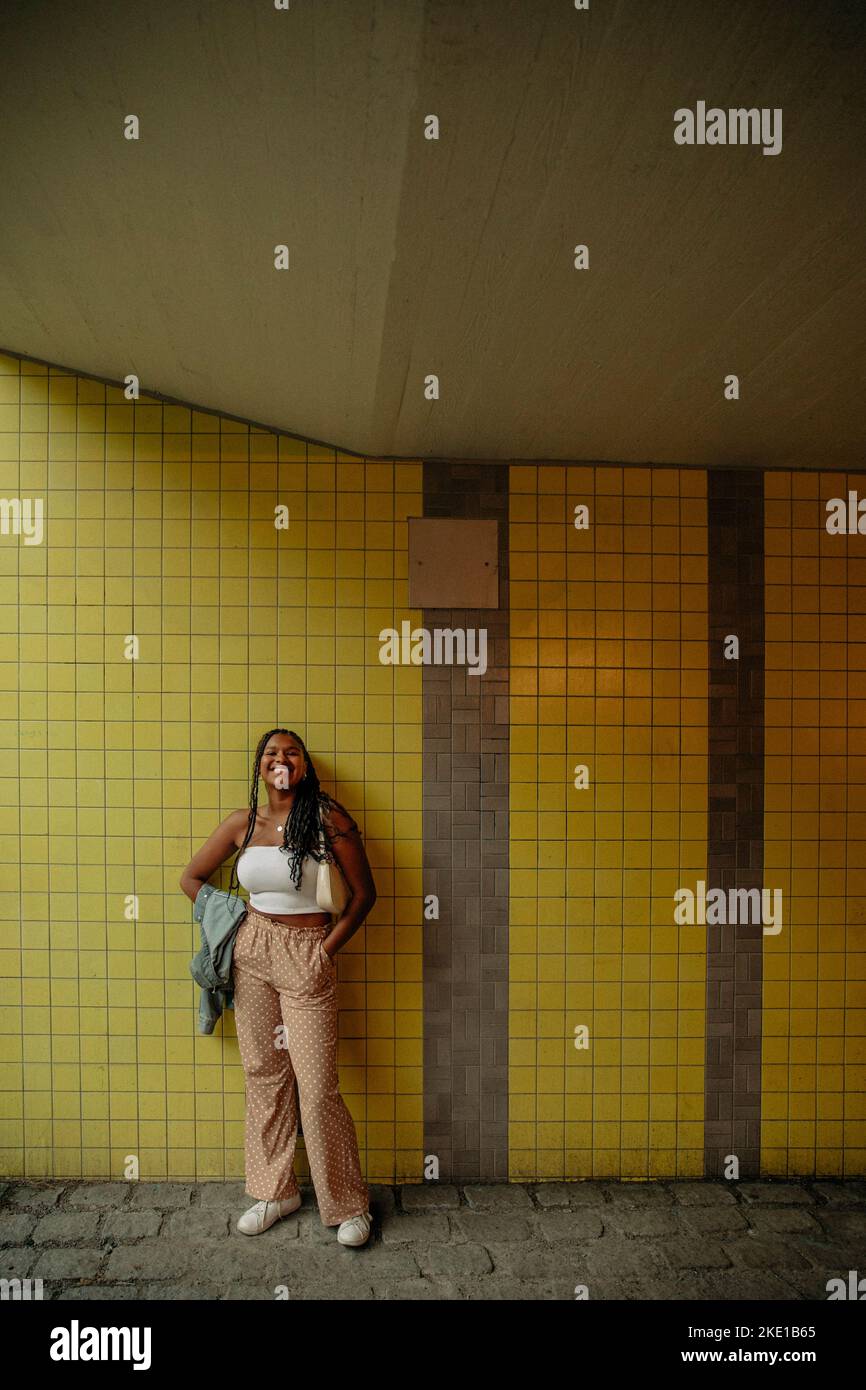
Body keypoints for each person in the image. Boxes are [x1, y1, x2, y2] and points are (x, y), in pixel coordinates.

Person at [180, 727, 376, 1247]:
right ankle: (274, 1191)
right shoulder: (242, 823)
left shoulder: (326, 819)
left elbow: (364, 895)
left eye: (291, 752)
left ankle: (348, 1205)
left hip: (308, 951)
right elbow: (191, 878)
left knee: (316, 1089)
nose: (280, 759)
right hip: (253, 950)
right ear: (260, 768)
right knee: (264, 1076)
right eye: (271, 752)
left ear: (304, 768)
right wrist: (232, 921)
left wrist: (324, 951)